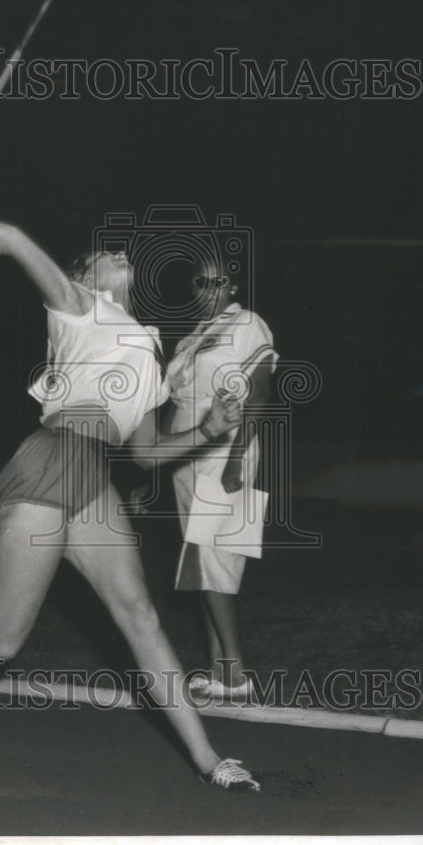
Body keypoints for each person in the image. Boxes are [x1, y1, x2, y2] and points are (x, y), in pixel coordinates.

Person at [0, 208, 261, 791]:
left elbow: (145, 455)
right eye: (104, 252)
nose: (119, 253)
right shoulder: (77, 305)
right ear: (85, 273)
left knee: (140, 614)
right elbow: (10, 236)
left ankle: (209, 761)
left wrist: (211, 429)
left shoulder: (147, 348)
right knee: (1, 642)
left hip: (93, 479)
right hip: (49, 460)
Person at [166, 255, 278, 698]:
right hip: (185, 457)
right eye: (201, 280)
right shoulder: (192, 337)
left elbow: (262, 394)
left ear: (233, 287)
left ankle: (235, 673)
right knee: (203, 563)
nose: (210, 287)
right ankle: (218, 673)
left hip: (226, 450)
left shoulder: (248, 324)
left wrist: (238, 457)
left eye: (220, 280)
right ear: (191, 287)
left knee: (215, 560)